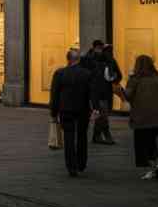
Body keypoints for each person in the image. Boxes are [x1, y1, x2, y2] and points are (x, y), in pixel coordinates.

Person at [122, 54, 158, 180]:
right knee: (151, 141)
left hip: (141, 116)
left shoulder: (135, 78)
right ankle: (156, 163)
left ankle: (152, 167)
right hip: (157, 116)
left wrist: (121, 89)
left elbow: (128, 95)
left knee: (143, 143)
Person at [50, 48, 94, 176]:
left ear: (68, 59)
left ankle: (71, 167)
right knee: (82, 136)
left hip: (66, 109)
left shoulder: (60, 73)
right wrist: (94, 108)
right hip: (82, 109)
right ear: (78, 59)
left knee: (68, 137)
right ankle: (81, 163)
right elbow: (91, 93)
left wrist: (53, 112)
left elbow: (55, 94)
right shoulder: (86, 74)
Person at [82, 40, 119, 145]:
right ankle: (104, 135)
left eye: (101, 48)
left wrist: (113, 77)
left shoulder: (108, 59)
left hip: (102, 91)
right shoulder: (88, 59)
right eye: (98, 48)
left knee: (102, 113)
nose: (99, 50)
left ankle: (98, 136)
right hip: (93, 91)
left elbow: (117, 75)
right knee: (101, 113)